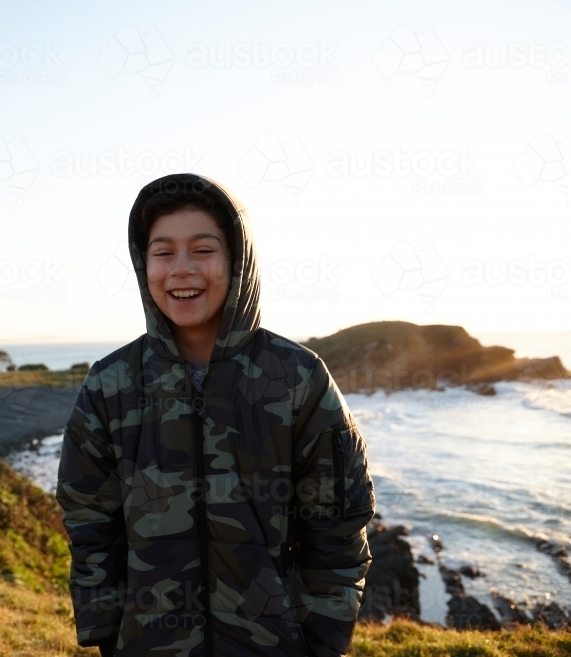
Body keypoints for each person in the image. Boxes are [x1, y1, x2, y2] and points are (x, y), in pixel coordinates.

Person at [56, 174, 375, 656]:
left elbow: (336, 526)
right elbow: (90, 521)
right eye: (163, 253)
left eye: (202, 250)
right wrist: (107, 634)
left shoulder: (298, 379)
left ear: (238, 262)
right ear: (144, 266)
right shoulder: (111, 384)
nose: (181, 269)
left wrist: (324, 639)